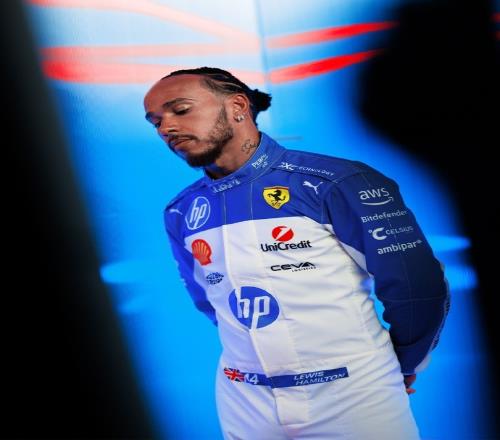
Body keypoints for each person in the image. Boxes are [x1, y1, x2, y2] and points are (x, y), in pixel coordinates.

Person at [143, 67, 450, 440]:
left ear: (237, 106)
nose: (166, 127)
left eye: (180, 110)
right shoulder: (181, 210)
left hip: (353, 393)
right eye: (155, 121)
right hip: (244, 400)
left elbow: (415, 285)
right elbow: (210, 302)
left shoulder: (338, 181)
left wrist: (404, 362)